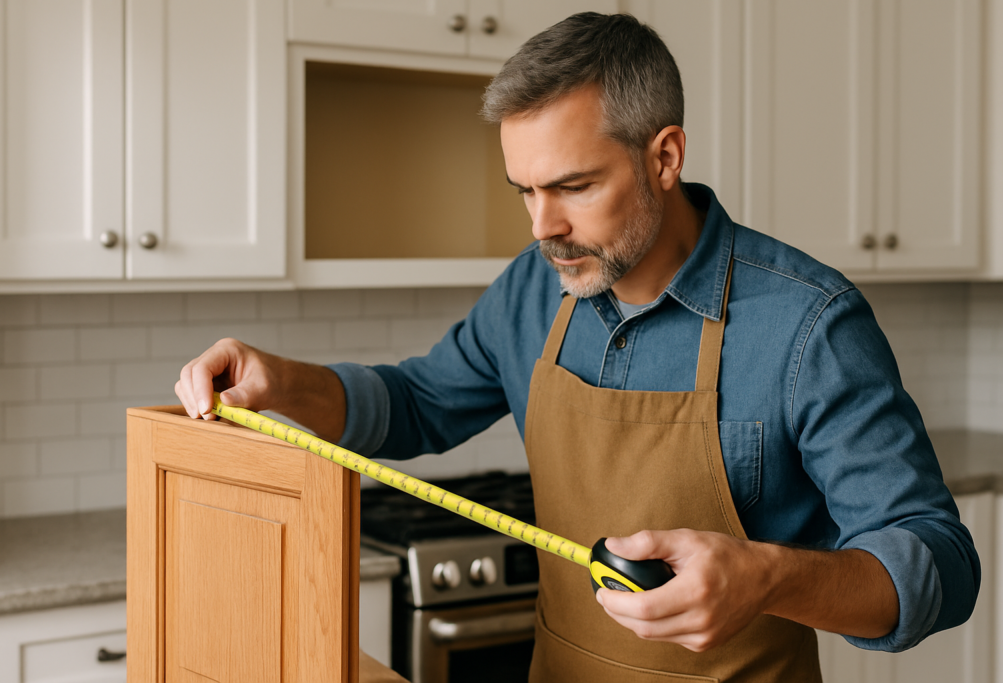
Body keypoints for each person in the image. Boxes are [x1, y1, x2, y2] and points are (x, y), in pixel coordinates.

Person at [174, 12, 979, 682]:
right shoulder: (537, 286)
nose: (541, 227)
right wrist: (281, 382)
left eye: (573, 186)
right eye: (524, 189)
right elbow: (418, 403)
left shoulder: (808, 324)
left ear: (664, 157)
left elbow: (939, 564)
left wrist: (768, 575)